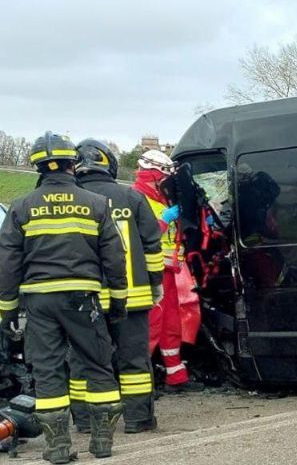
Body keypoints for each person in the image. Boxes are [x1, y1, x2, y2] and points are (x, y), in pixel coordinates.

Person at [0, 132, 126, 462]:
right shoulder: (96, 204)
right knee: (99, 365)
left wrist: (8, 310)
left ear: (37, 168)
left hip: (39, 303)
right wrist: (119, 302)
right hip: (84, 299)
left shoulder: (21, 207)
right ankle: (102, 444)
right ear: (73, 164)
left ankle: (57, 448)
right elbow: (115, 257)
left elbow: (8, 263)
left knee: (47, 370)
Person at [67, 139, 164, 434]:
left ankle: (85, 421)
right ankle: (138, 420)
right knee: (134, 359)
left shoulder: (70, 199)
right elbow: (152, 246)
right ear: (108, 163)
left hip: (84, 298)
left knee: (83, 361)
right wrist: (156, 284)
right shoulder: (131, 197)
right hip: (133, 299)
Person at [132, 150, 204, 393]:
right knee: (151, 325)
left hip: (169, 270)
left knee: (171, 324)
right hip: (148, 272)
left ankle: (176, 376)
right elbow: (141, 237)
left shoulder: (161, 198)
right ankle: (140, 382)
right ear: (152, 175)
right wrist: (164, 219)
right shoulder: (136, 199)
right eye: (163, 178)